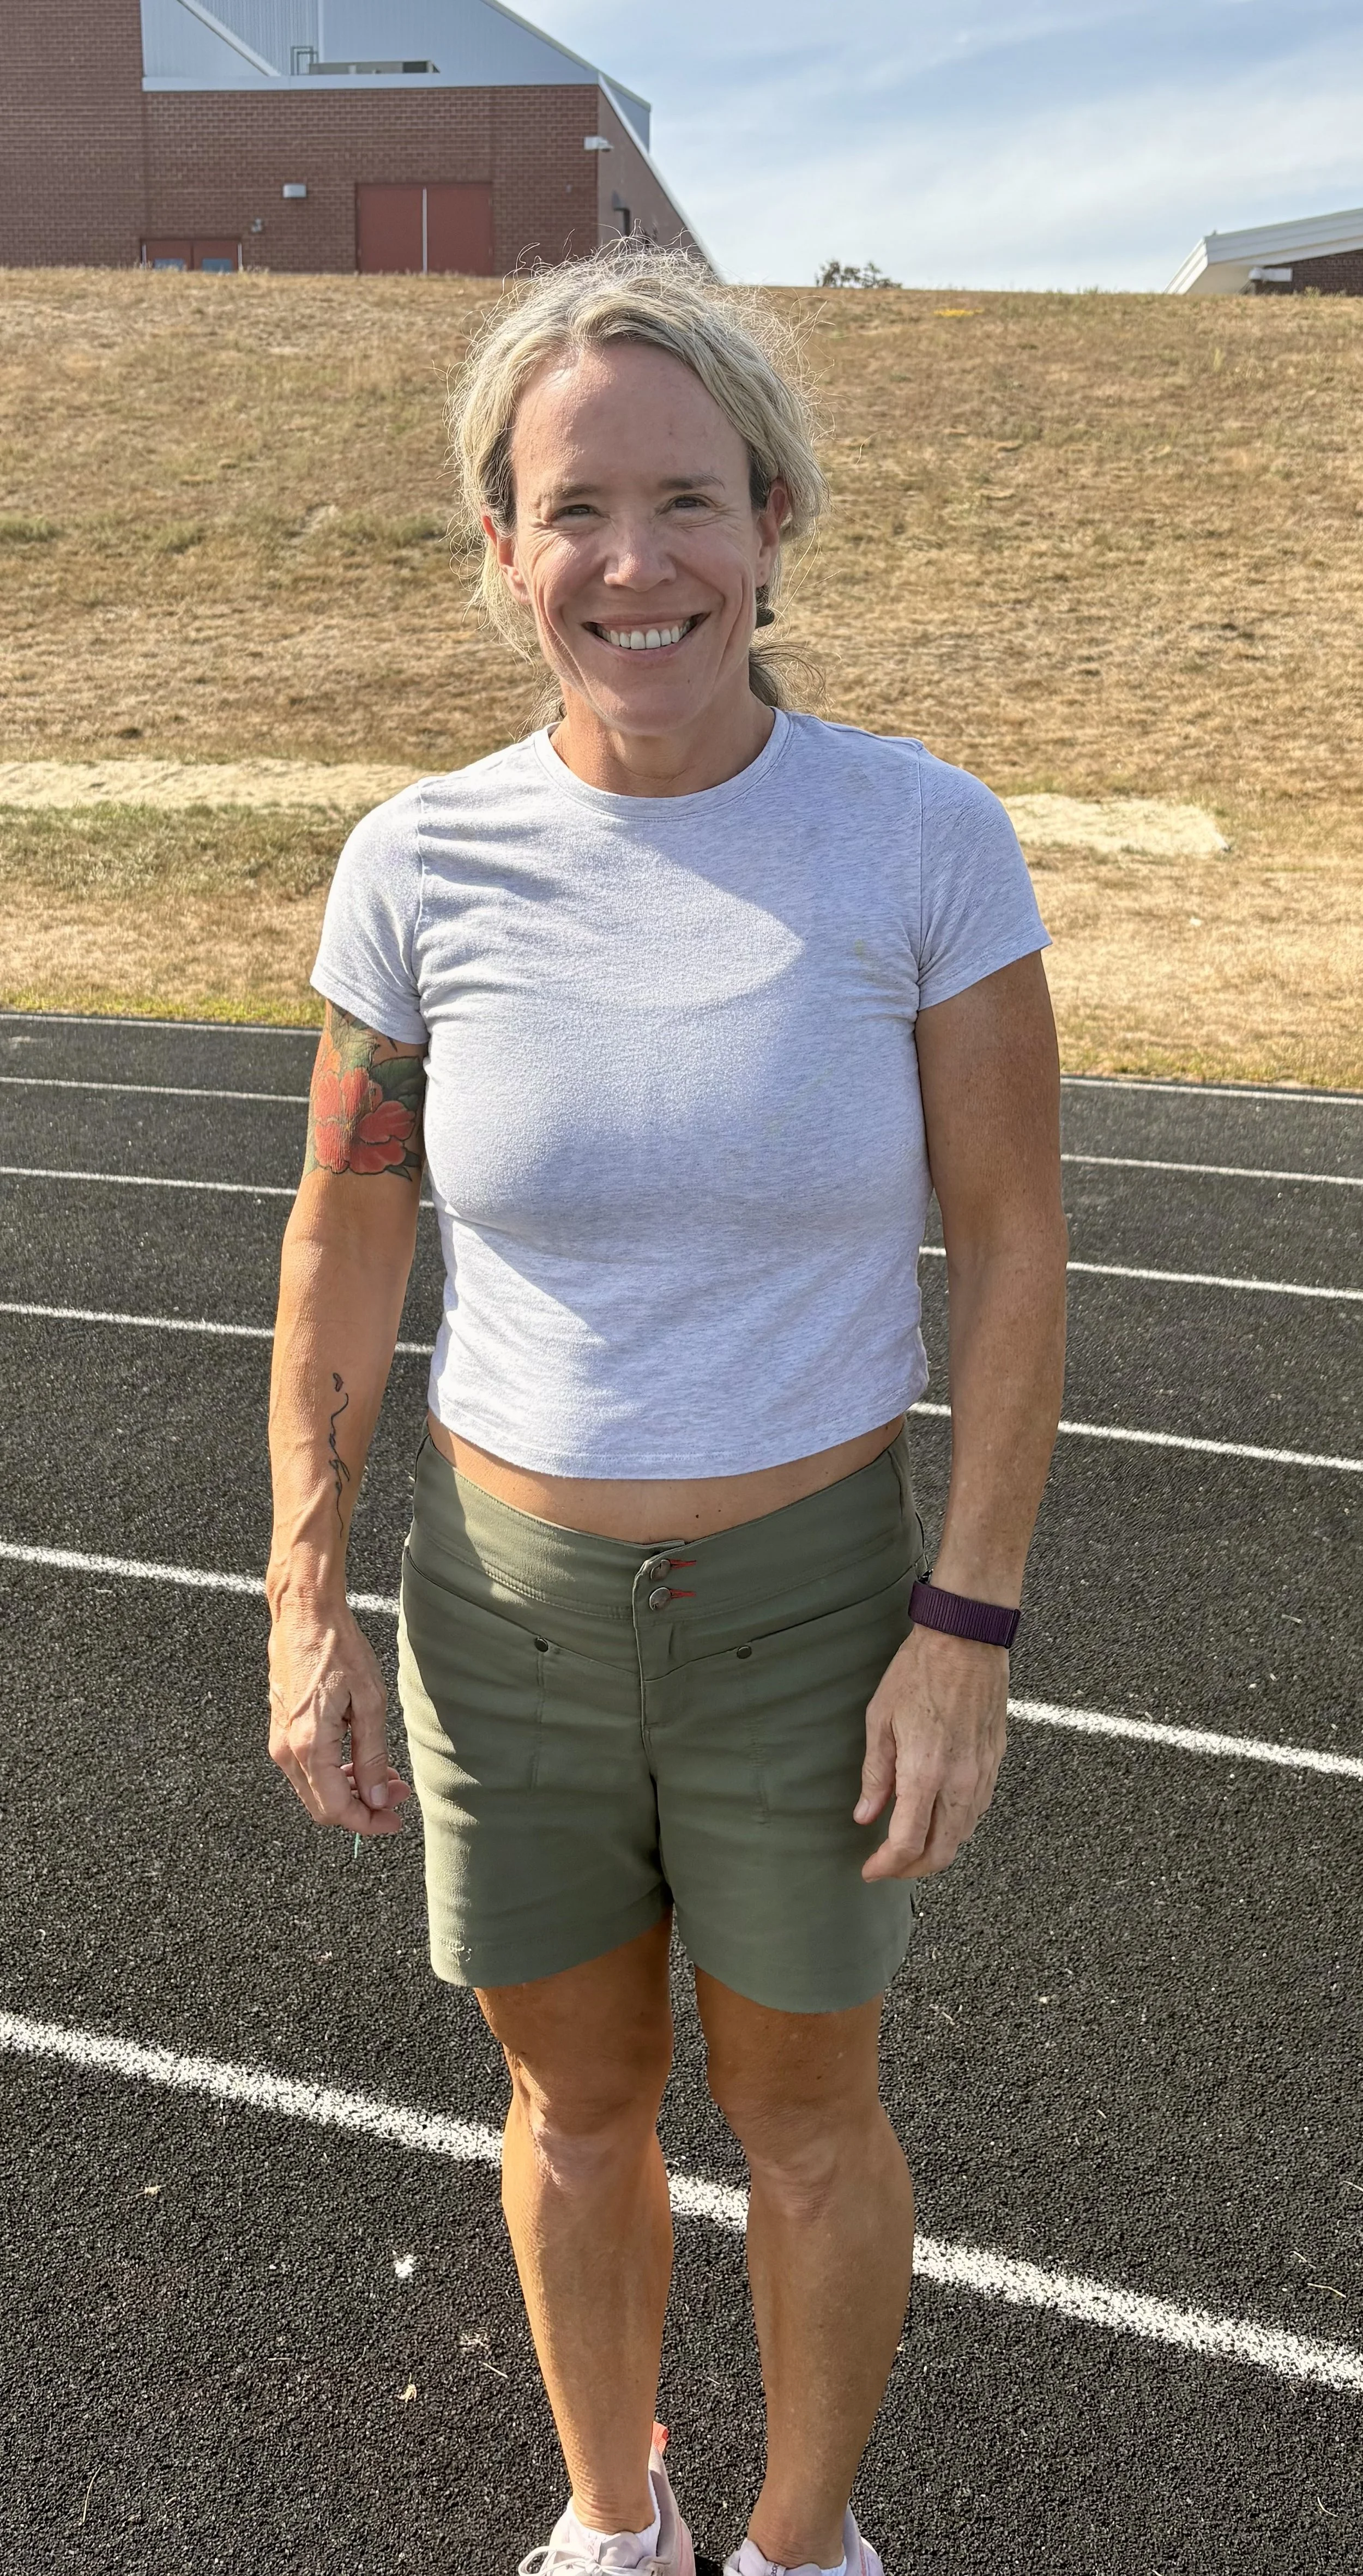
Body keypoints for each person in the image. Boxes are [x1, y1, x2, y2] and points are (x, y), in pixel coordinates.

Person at [266, 246, 1067, 2576]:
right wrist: (307, 1598)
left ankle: (804, 2543)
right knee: (575, 2098)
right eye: (575, 508)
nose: (638, 563)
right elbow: (343, 1240)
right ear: (500, 549)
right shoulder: (418, 864)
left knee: (808, 2113)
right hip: (503, 1614)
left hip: (816, 1607)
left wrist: (964, 1620)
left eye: (689, 498)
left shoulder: (917, 840)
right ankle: (614, 2521)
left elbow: (1013, 1242)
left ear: (777, 518)